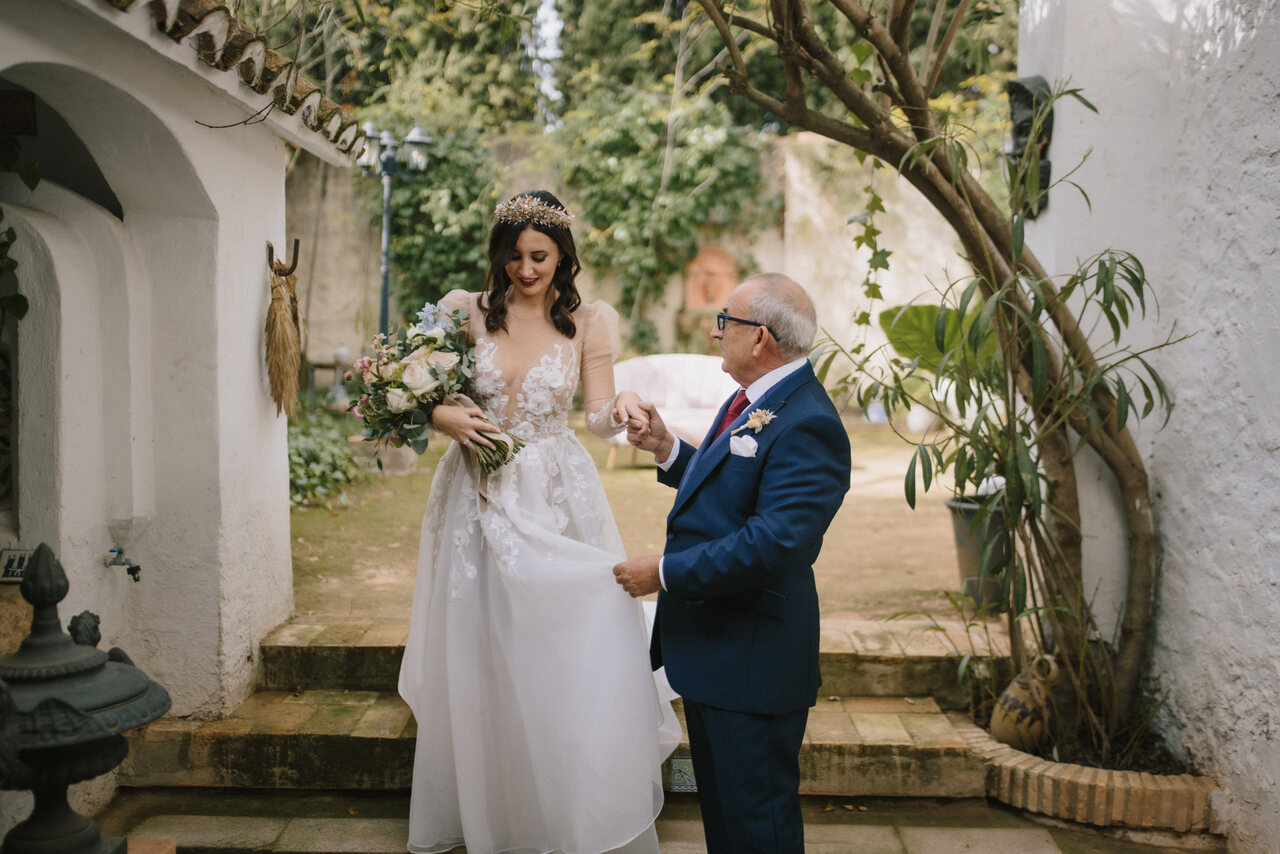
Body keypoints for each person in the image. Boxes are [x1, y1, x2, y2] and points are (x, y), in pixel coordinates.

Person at [398, 190, 677, 854]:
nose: (527, 271)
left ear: (562, 256)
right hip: (476, 492)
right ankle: (493, 809)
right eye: (516, 256)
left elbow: (599, 413)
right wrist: (441, 415)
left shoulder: (589, 321)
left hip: (555, 491)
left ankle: (568, 802)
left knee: (564, 637)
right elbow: (408, 385)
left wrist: (628, 406)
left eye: (541, 257)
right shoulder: (463, 312)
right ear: (500, 253)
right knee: (482, 642)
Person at [613, 273, 851, 854]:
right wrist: (668, 448)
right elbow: (732, 487)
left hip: (754, 661)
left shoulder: (808, 422)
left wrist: (664, 573)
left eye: (726, 321)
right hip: (719, 653)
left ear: (760, 337)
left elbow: (773, 543)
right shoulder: (757, 396)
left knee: (755, 826)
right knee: (726, 822)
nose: (716, 331)